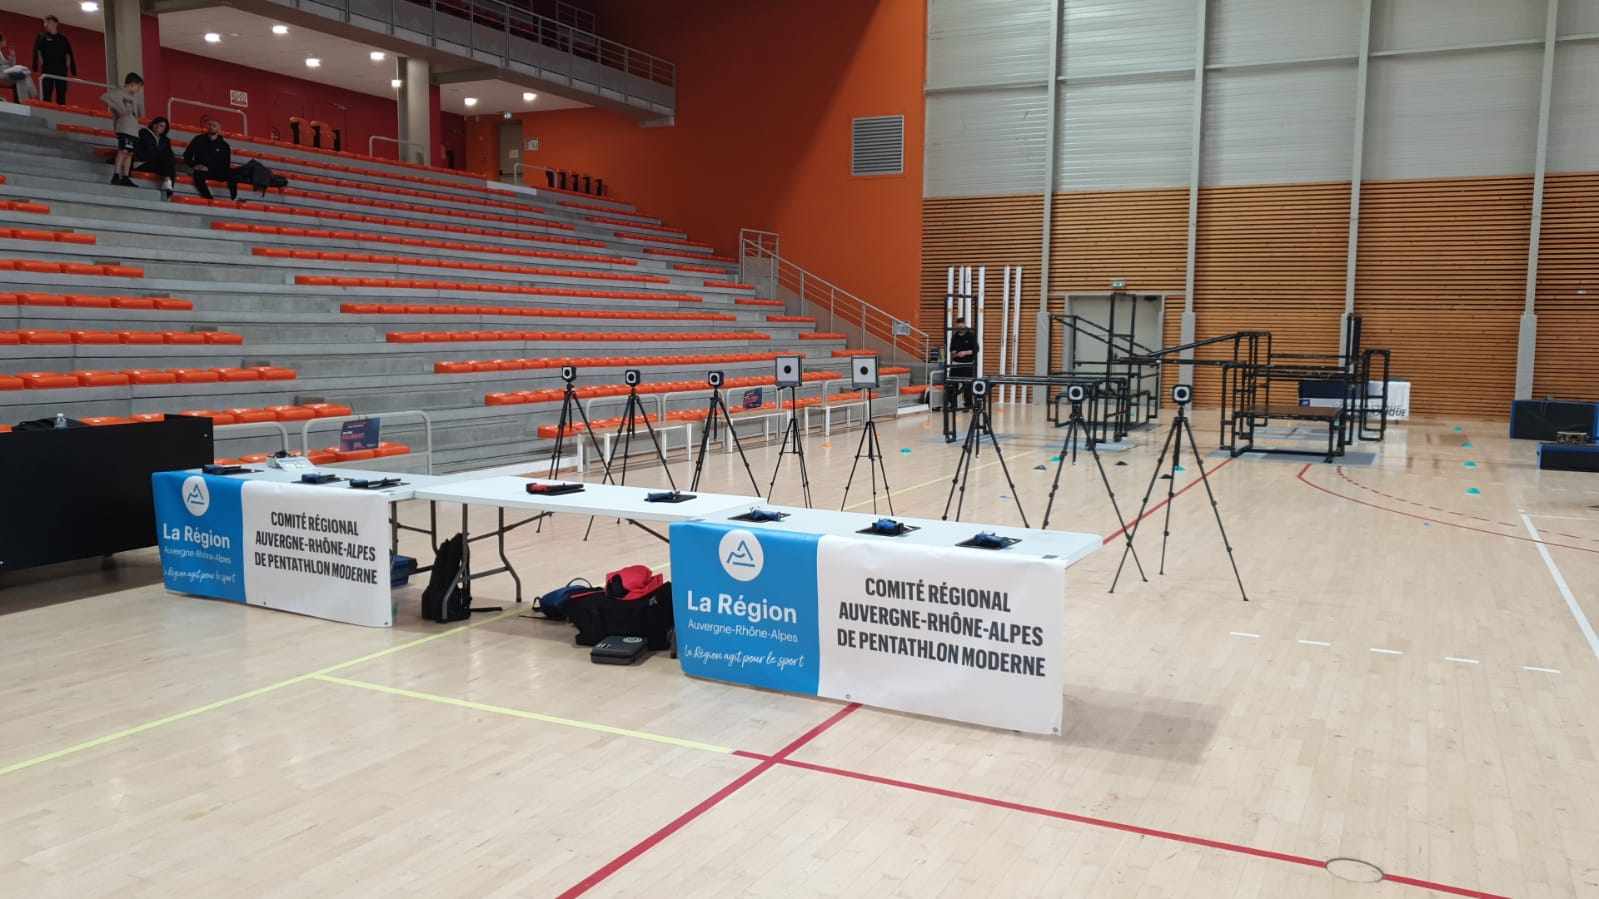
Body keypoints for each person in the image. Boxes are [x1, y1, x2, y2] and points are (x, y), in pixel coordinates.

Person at [100, 72, 144, 187]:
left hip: (133, 128)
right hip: (124, 127)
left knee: (130, 153)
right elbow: (105, 97)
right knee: (123, 151)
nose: (139, 90)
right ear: (132, 84)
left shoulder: (135, 97)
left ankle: (125, 176)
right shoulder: (119, 93)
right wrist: (120, 109)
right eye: (138, 86)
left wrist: (138, 101)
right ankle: (116, 174)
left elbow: (140, 114)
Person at [183, 117, 239, 200]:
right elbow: (187, 155)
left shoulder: (224, 145)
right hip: (202, 170)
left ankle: (233, 199)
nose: (211, 127)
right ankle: (209, 198)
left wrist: (210, 168)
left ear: (219, 129)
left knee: (233, 174)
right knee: (198, 174)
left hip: (217, 171)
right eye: (209, 125)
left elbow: (226, 164)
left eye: (214, 125)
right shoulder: (198, 139)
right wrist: (195, 165)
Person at [31, 15, 74, 106]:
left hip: (61, 70)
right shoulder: (42, 36)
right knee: (46, 93)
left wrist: (66, 66)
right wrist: (42, 63)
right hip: (47, 68)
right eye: (45, 23)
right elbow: (38, 51)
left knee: (61, 94)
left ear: (55, 24)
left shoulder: (63, 38)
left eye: (48, 22)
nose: (46, 25)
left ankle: (62, 111)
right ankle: (47, 110)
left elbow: (68, 53)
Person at [133, 116, 177, 200]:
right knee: (167, 160)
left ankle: (168, 182)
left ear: (165, 129)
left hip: (159, 164)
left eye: (162, 126)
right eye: (156, 124)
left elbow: (170, 154)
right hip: (143, 163)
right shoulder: (144, 133)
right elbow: (145, 151)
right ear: (153, 124)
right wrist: (159, 156)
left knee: (169, 159)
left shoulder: (165, 140)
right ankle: (168, 186)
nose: (158, 127)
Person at [948, 320, 978, 411]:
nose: (960, 329)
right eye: (959, 327)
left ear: (965, 326)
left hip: (967, 365)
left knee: (967, 386)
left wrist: (965, 352)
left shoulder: (971, 335)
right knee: (952, 385)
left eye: (962, 327)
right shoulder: (955, 336)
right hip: (956, 364)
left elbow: (976, 349)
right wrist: (954, 353)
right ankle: (952, 404)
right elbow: (951, 349)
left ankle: (967, 405)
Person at [1, 33, 36, 103]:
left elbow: (10, 65)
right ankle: (25, 100)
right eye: (4, 40)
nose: (5, 41)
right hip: (2, 74)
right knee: (21, 77)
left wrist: (12, 58)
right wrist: (10, 67)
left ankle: (26, 99)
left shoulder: (0, 52)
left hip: (7, 73)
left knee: (25, 74)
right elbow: (4, 67)